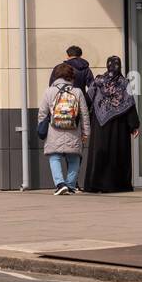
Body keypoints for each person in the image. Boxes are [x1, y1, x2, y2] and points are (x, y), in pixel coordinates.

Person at [83, 56, 139, 193]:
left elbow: (87, 100)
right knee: (117, 153)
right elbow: (130, 105)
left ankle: (95, 184)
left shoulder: (98, 81)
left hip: (99, 126)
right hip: (118, 126)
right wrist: (134, 125)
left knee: (99, 153)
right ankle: (116, 185)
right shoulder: (124, 83)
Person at [38, 62, 90, 195]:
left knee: (54, 156)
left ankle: (60, 183)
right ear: (71, 76)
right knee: (74, 158)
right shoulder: (77, 92)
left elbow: (42, 113)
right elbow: (84, 114)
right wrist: (86, 133)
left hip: (54, 130)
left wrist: (41, 127)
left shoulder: (49, 91)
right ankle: (71, 185)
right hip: (73, 130)